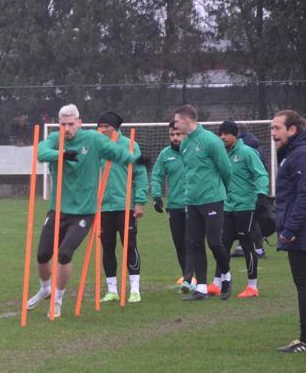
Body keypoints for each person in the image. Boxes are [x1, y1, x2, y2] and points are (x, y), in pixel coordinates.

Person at [26, 104, 145, 317]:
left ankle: (58, 299)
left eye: (71, 124)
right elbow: (41, 152)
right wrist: (61, 154)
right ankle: (45, 288)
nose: (67, 129)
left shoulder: (93, 138)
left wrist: (135, 160)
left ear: (79, 123)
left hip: (84, 211)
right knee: (42, 254)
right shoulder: (55, 139)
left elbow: (116, 152)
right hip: (58, 208)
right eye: (63, 125)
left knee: (64, 254)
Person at [270, 110, 306, 352]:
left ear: (293, 130)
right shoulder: (299, 151)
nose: (272, 133)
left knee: (305, 281)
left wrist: (291, 228)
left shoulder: (303, 153)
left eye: (277, 128)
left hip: (305, 226)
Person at [174, 104, 232, 301]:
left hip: (212, 200)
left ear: (186, 119)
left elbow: (226, 170)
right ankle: (201, 289)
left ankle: (226, 278)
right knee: (195, 243)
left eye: (176, 121)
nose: (175, 125)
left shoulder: (211, 141)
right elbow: (189, 172)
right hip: (192, 201)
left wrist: (220, 191)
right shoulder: (183, 144)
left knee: (215, 242)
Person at [210, 121, 269, 299]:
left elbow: (261, 174)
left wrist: (261, 193)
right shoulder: (220, 154)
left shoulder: (247, 153)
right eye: (220, 134)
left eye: (226, 134)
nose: (222, 137)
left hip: (247, 206)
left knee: (246, 243)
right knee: (222, 244)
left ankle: (252, 286)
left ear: (235, 135)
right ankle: (217, 282)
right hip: (227, 206)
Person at [95, 112, 148, 303]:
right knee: (107, 248)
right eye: (99, 126)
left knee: (130, 246)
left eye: (105, 126)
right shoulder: (96, 147)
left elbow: (140, 174)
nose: (101, 130)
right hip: (102, 207)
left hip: (125, 206)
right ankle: (112, 290)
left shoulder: (130, 145)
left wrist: (140, 201)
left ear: (114, 128)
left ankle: (134, 288)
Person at [150, 120, 192, 291]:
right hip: (174, 206)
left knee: (192, 242)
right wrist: (156, 196)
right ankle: (187, 278)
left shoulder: (195, 151)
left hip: (195, 205)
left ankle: (191, 278)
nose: (175, 138)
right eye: (172, 134)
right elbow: (156, 176)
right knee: (180, 244)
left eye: (178, 134)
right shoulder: (165, 155)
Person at [231, 124, 267, 258]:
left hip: (249, 190)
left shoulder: (247, 149)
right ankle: (244, 245)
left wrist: (260, 190)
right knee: (246, 221)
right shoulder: (253, 145)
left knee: (252, 221)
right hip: (245, 189)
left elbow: (258, 170)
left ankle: (258, 248)